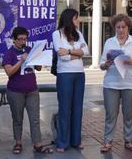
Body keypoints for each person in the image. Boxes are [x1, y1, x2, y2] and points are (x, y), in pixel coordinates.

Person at [99, 14, 132, 152]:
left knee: (129, 114)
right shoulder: (109, 42)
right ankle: (107, 142)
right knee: (110, 114)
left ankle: (129, 141)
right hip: (111, 83)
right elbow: (101, 64)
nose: (120, 30)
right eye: (118, 27)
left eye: (123, 27)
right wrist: (107, 64)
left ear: (128, 27)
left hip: (131, 83)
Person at [2, 27, 53, 154]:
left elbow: (39, 68)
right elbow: (9, 72)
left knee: (35, 118)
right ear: (14, 40)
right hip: (15, 91)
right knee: (18, 119)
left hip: (32, 90)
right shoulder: (9, 53)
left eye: (25, 39)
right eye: (20, 39)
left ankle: (38, 144)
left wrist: (39, 57)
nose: (23, 42)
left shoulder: (29, 50)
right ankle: (18, 143)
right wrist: (21, 61)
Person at [52, 8, 89, 153]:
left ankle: (76, 140)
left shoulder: (78, 33)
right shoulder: (57, 34)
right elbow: (62, 57)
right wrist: (76, 53)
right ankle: (62, 142)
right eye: (75, 18)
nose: (78, 21)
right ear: (68, 19)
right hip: (65, 74)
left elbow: (86, 51)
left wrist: (68, 51)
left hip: (80, 74)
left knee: (78, 108)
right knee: (64, 109)